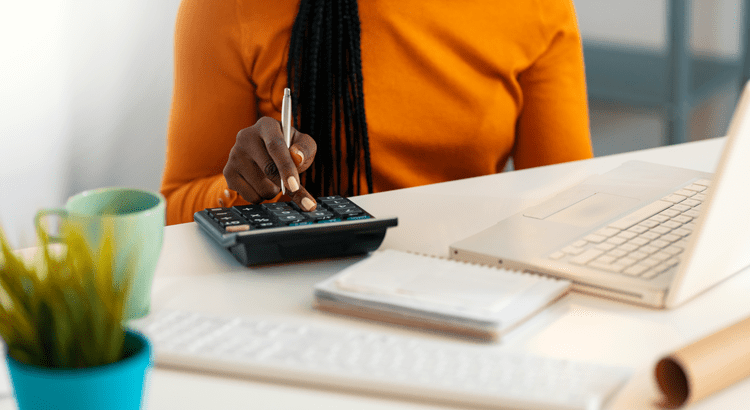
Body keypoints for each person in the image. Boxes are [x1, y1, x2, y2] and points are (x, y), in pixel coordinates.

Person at [161, 0, 593, 225]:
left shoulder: (536, 8)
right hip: (294, 289)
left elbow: (568, 204)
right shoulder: (229, 7)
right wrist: (242, 189)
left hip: (467, 287)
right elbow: (171, 210)